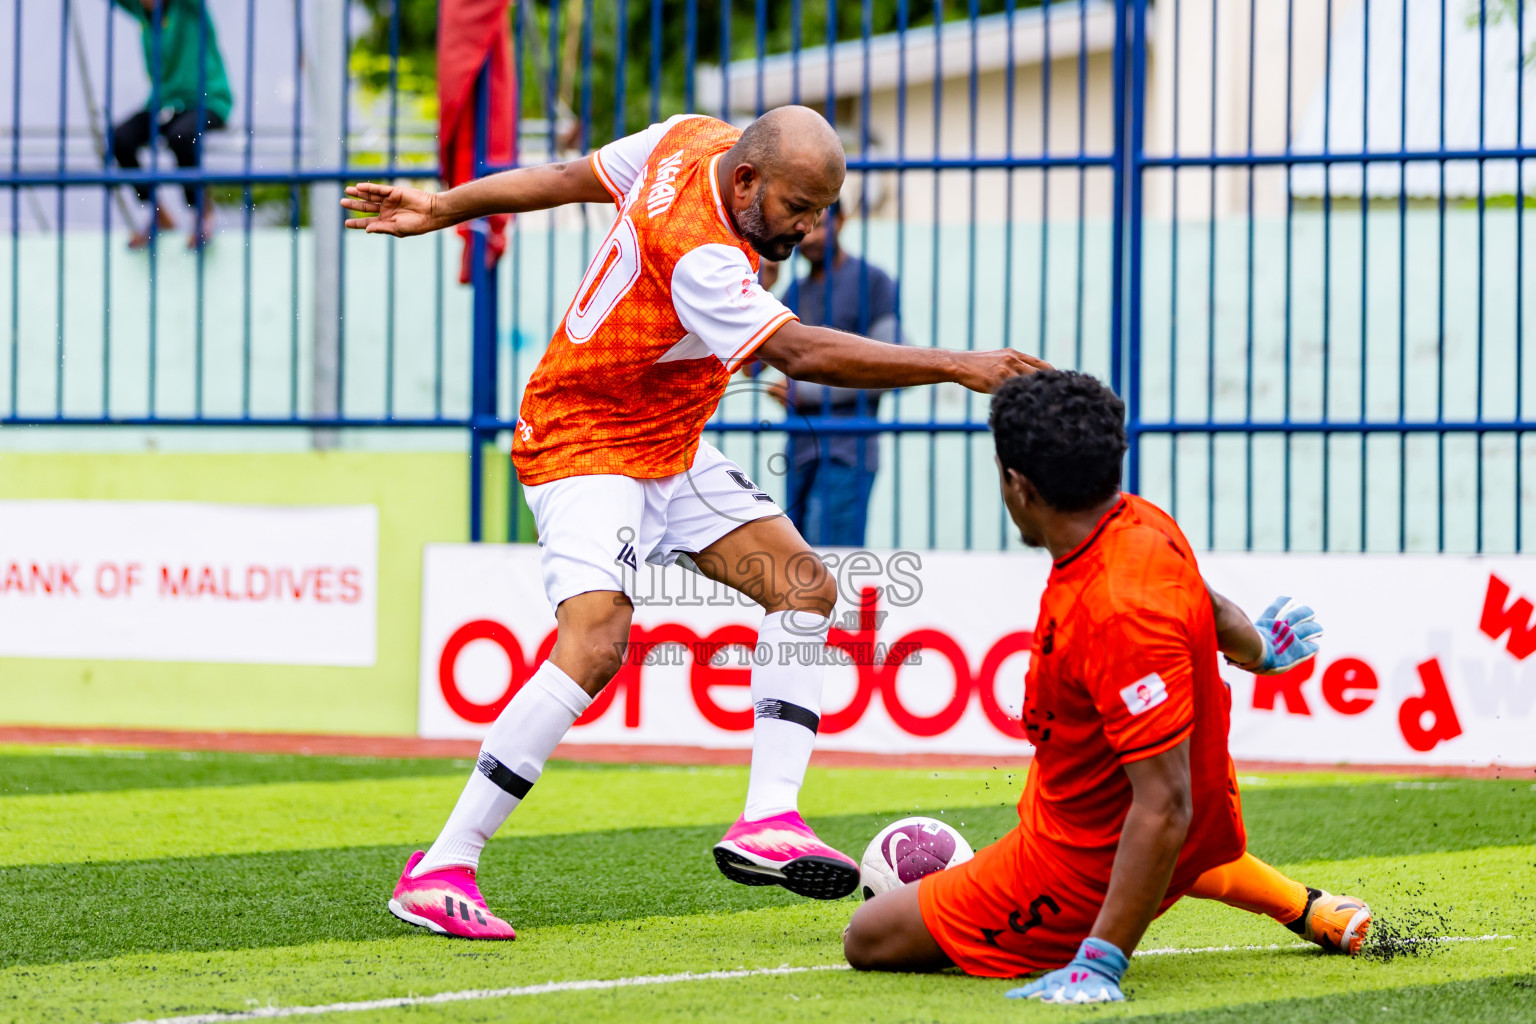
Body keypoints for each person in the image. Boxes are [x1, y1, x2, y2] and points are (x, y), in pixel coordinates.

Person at [341, 105, 1047, 940]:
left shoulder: (688, 135)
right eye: (798, 208)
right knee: (598, 638)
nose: (812, 227)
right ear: (747, 181)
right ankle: (443, 866)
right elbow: (799, 356)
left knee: (803, 587)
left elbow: (571, 178)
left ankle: (767, 821)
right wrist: (957, 364)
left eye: (823, 209)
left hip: (667, 442)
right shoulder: (701, 250)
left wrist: (446, 205)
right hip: (585, 438)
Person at [842, 370, 1371, 1002]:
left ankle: (1087, 939)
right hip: (1186, 823)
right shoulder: (1143, 521)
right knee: (1101, 778)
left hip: (1073, 874)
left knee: (867, 936)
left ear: (1018, 484)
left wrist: (1102, 959)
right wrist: (1259, 651)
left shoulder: (1116, 612)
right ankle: (1303, 906)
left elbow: (1163, 805)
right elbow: (1209, 604)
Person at [755, 201, 904, 547]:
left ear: (843, 221)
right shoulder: (796, 293)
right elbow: (751, 366)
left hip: (847, 452)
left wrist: (803, 394)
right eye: (802, 227)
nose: (809, 237)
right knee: (799, 565)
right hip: (799, 450)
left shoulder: (872, 282)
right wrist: (761, 286)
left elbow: (891, 369)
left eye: (819, 225)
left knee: (832, 564)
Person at [111, 0, 232, 250]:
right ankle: (158, 212)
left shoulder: (187, 7)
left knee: (181, 137)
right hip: (165, 104)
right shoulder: (142, 12)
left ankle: (202, 212)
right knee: (121, 139)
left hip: (206, 100)